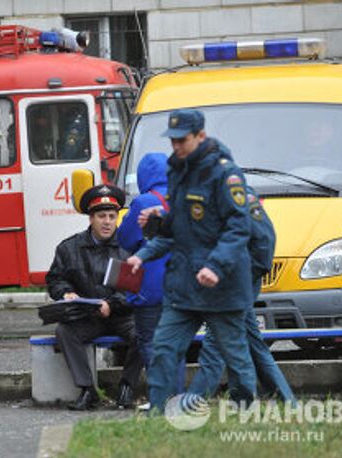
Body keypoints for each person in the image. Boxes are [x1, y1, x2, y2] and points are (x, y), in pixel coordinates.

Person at [126, 109, 257, 413]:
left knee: (235, 356)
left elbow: (239, 228)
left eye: (182, 140)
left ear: (200, 136)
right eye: (172, 141)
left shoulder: (226, 174)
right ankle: (159, 416)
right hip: (184, 287)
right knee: (163, 350)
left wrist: (216, 266)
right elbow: (177, 229)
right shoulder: (177, 172)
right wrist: (142, 255)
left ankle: (245, 412)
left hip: (222, 287)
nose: (176, 147)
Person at [186, 183, 296, 404]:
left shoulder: (238, 195)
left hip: (237, 283)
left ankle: (191, 404)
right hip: (225, 283)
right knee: (253, 344)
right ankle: (284, 399)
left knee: (215, 344)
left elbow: (264, 240)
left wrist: (248, 275)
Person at [46, 184, 142, 410]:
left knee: (144, 333)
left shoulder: (128, 247)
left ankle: (127, 386)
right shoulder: (69, 248)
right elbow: (55, 279)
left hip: (122, 315)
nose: (107, 221)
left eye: (112, 216)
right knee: (64, 331)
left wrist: (112, 304)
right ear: (91, 218)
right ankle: (88, 389)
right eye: (101, 216)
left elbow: (134, 288)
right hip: (88, 316)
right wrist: (65, 293)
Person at [117, 153, 186, 402]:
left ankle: (162, 399)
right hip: (180, 286)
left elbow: (125, 239)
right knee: (175, 346)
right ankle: (177, 398)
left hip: (150, 289)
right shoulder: (183, 198)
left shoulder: (144, 201)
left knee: (150, 343)